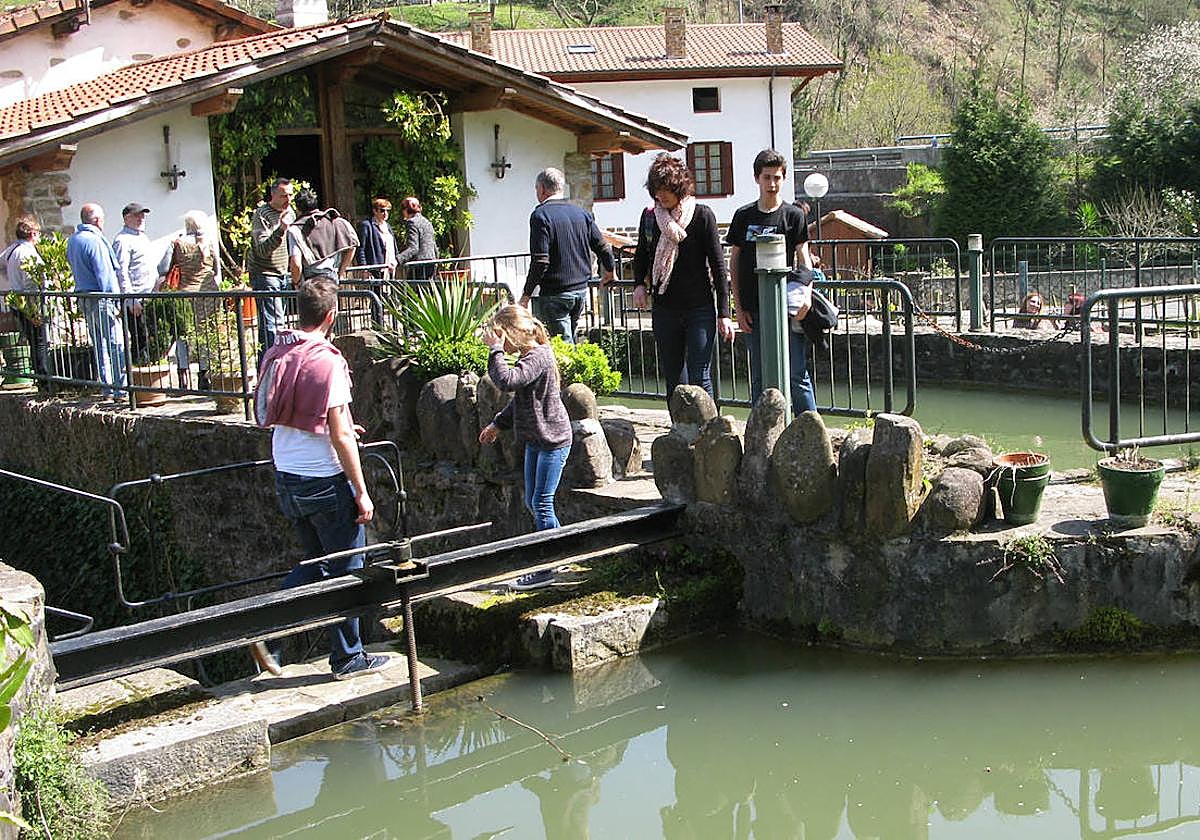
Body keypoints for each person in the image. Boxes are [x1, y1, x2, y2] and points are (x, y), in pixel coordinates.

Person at [250, 276, 391, 680]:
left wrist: (342, 422)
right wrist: (362, 493)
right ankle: (348, 657)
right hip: (323, 478)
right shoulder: (328, 360)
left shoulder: (278, 351)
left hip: (286, 473)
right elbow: (340, 434)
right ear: (332, 315)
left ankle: (266, 629)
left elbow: (295, 412)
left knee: (315, 565)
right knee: (346, 569)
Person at [478, 305, 572, 590]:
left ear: (512, 333)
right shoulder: (527, 357)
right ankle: (558, 552)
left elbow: (508, 381)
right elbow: (520, 400)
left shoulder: (538, 356)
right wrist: (497, 425)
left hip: (553, 440)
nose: (498, 341)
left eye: (499, 335)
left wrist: (495, 351)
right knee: (534, 501)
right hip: (536, 440)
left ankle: (545, 569)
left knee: (542, 503)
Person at [628, 154, 732, 402]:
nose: (661, 196)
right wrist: (639, 285)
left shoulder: (702, 215)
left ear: (679, 188)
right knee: (674, 377)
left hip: (699, 308)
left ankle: (708, 432)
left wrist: (724, 313)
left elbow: (718, 266)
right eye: (657, 191)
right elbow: (642, 254)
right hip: (665, 307)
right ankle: (679, 433)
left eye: (666, 190)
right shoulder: (650, 217)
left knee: (700, 375)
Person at [726, 149, 816, 415]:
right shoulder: (744, 216)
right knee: (759, 376)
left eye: (777, 178)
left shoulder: (793, 216)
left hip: (786, 308)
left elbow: (804, 258)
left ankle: (810, 431)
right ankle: (761, 436)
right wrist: (738, 309)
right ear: (757, 179)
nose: (772, 184)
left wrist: (806, 295)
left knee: (797, 373)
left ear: (784, 179)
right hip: (753, 309)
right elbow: (735, 262)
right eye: (767, 177)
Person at [520, 168, 615, 344]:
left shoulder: (540, 215)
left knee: (562, 350)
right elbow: (602, 246)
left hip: (555, 293)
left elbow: (540, 261)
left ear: (541, 189)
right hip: (580, 290)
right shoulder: (581, 213)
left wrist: (526, 294)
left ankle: (571, 372)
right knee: (570, 342)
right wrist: (610, 270)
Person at [66, 203, 127, 400]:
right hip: (101, 298)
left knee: (100, 345)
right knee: (115, 343)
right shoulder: (94, 241)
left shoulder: (73, 240)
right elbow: (105, 275)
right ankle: (121, 389)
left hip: (85, 297)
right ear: (98, 220)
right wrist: (116, 301)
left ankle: (106, 388)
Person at [160, 210, 222, 389]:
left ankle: (183, 376)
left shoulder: (178, 243)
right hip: (209, 294)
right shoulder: (209, 243)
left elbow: (162, 268)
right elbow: (216, 270)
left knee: (183, 334)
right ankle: (204, 375)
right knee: (206, 333)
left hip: (186, 295)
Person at [247, 177, 295, 359]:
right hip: (266, 274)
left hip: (284, 273)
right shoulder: (262, 214)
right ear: (273, 195)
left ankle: (268, 368)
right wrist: (281, 229)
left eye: (290, 195)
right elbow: (261, 250)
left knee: (277, 325)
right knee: (272, 326)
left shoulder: (290, 211)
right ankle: (273, 368)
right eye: (283, 195)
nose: (288, 200)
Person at [0, 216, 49, 378]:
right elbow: (30, 282)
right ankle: (43, 378)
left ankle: (40, 377)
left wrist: (10, 278)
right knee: (39, 342)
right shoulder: (27, 252)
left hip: (17, 302)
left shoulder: (11, 250)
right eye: (38, 234)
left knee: (33, 340)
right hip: (29, 303)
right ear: (33, 234)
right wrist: (34, 309)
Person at [112, 202, 158, 365]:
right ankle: (138, 381)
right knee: (140, 339)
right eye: (137, 215)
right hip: (136, 298)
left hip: (149, 296)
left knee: (150, 338)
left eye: (142, 215)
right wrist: (131, 299)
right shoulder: (122, 240)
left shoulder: (142, 237)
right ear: (126, 218)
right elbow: (121, 272)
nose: (141, 218)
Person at [287, 188, 359, 285]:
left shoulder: (296, 230)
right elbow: (353, 245)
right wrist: (340, 273)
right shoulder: (336, 222)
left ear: (297, 208)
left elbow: (296, 263)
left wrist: (297, 282)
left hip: (310, 282)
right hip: (332, 278)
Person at [395, 196, 438, 281]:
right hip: (431, 263)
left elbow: (413, 248)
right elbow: (434, 246)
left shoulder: (412, 223)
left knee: (412, 292)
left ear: (405, 210)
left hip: (419, 266)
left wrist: (397, 259)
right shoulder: (427, 222)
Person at [355, 197, 397, 279]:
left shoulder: (387, 226)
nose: (385, 213)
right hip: (375, 269)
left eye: (387, 210)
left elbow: (393, 246)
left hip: (389, 268)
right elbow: (360, 249)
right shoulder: (367, 225)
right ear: (375, 211)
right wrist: (364, 269)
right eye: (382, 210)